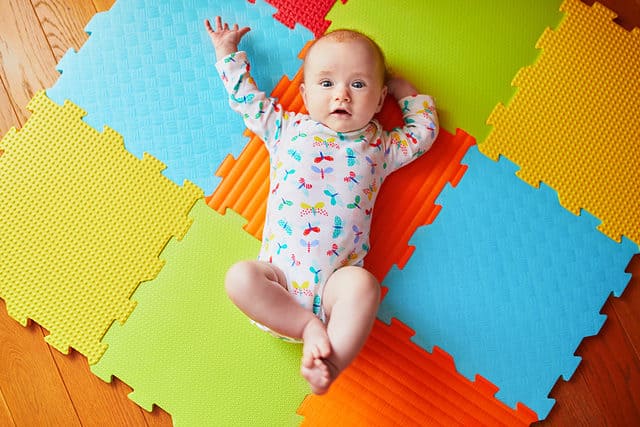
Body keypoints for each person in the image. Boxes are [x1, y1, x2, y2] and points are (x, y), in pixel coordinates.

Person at [205, 16, 438, 394]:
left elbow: (422, 133)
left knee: (363, 285)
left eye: (358, 84)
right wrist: (226, 52)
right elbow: (245, 100)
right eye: (326, 83)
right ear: (305, 94)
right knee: (239, 277)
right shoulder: (285, 129)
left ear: (379, 100)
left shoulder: (380, 147)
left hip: (335, 293)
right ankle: (306, 328)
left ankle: (331, 360)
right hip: (275, 284)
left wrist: (404, 90)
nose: (341, 95)